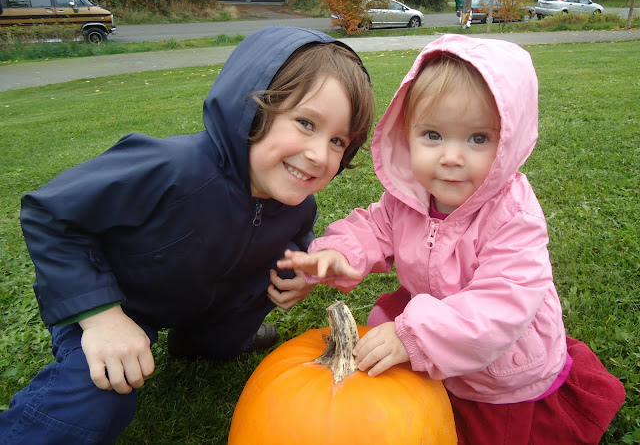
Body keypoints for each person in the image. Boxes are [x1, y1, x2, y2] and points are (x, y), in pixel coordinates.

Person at [0, 25, 374, 443]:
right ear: (251, 107)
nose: (319, 155)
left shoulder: (299, 204)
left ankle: (206, 340)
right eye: (305, 123)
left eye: (338, 140)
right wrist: (101, 317)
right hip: (114, 301)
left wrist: (303, 272)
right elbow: (51, 214)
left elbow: (297, 238)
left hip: (206, 301)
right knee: (103, 392)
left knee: (262, 291)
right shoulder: (171, 167)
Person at [278, 34, 625, 443]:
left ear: (508, 141)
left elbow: (501, 305)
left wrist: (414, 336)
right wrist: (339, 252)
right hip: (437, 317)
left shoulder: (513, 215)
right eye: (433, 135)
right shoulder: (409, 197)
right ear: (407, 133)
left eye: (478, 138)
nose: (451, 158)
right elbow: (374, 227)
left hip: (497, 364)